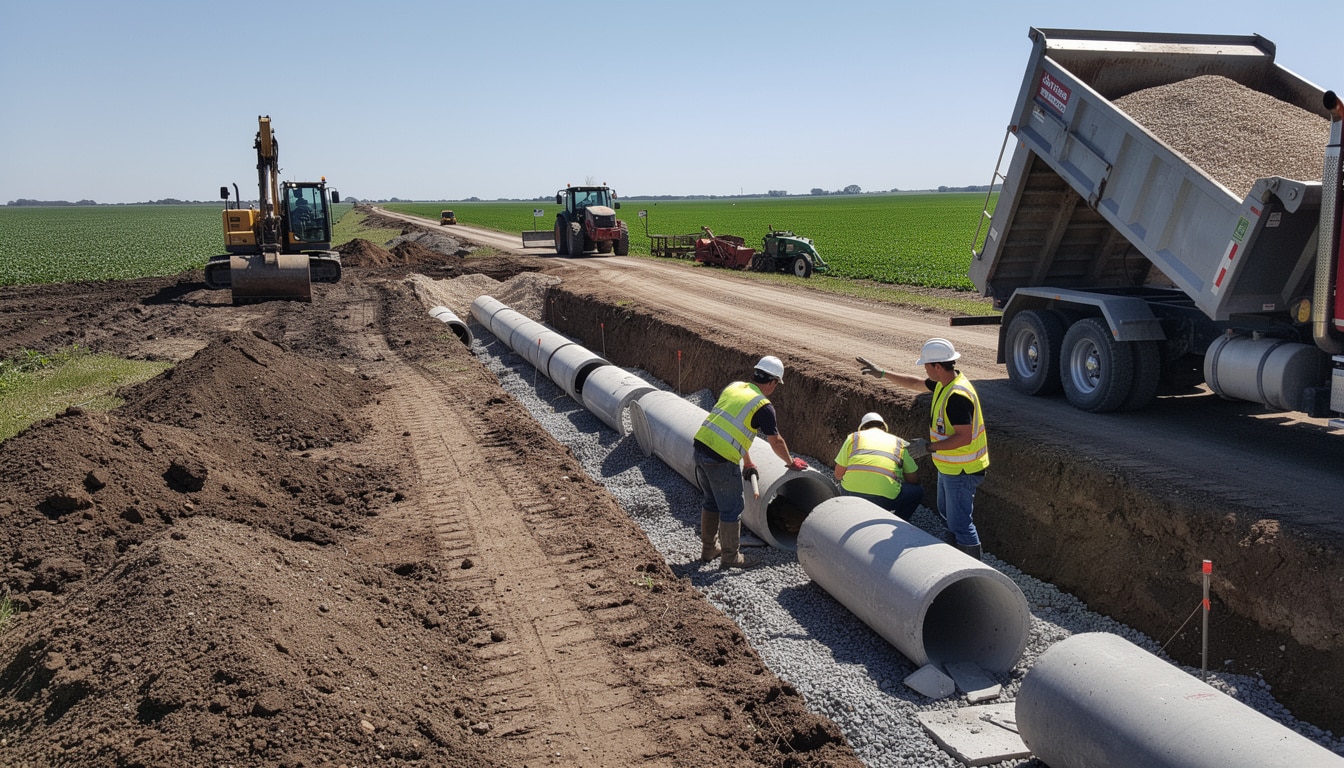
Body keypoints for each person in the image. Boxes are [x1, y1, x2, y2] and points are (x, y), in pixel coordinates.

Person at [857, 338, 989, 560]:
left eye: (926, 365)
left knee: (961, 524)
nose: (924, 369)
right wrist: (882, 374)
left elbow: (964, 438)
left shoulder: (956, 396)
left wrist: (928, 447)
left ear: (938, 366)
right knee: (949, 516)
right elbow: (915, 383)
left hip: (962, 469)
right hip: (950, 466)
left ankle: (972, 576)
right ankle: (954, 558)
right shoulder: (943, 384)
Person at [693, 355, 809, 569]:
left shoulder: (735, 387)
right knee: (732, 508)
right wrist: (791, 463)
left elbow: (734, 429)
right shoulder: (763, 406)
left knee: (711, 501)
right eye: (776, 384)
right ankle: (730, 557)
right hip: (720, 459)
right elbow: (776, 441)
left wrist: (747, 462)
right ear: (773, 382)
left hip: (700, 447)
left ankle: (709, 549)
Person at [833, 412, 924, 521]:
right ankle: (897, 522)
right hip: (883, 501)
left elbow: (838, 475)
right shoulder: (900, 443)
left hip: (851, 495)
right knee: (917, 491)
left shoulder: (853, 438)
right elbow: (913, 479)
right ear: (883, 428)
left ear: (862, 428)